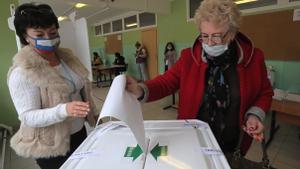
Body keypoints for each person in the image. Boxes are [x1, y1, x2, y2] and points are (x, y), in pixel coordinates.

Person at [127, 0, 273, 156]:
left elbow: (265, 92)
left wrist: (255, 114)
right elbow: (166, 82)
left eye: (217, 37)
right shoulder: (188, 57)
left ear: (232, 33)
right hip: (190, 141)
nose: (209, 43)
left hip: (232, 145)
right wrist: (140, 90)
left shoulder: (254, 58)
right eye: (204, 36)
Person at [7, 3, 98, 169]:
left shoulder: (68, 59)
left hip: (79, 132)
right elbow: (27, 117)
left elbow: (81, 90)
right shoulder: (22, 72)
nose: (48, 38)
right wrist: (64, 110)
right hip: (50, 144)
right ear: (25, 36)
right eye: (39, 34)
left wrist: (94, 113)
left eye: (53, 32)